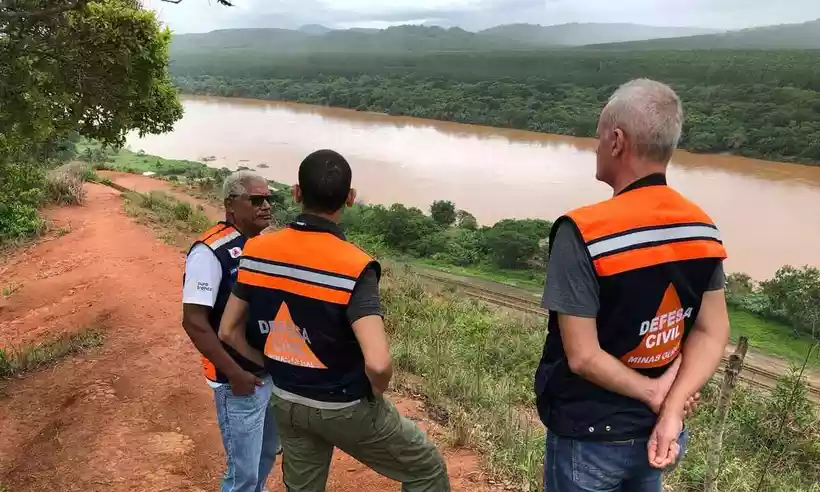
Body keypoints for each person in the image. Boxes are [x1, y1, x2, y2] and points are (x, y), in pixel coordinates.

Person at [534, 79, 730, 491]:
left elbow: (583, 356)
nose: (597, 145)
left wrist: (656, 395)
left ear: (617, 141)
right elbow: (713, 331)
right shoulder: (701, 227)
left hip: (587, 433)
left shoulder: (583, 230)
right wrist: (671, 407)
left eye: (600, 135)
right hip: (661, 434)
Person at [218, 149, 451, 492]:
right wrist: (374, 392)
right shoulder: (355, 265)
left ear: (297, 193)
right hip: (344, 403)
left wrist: (275, 364)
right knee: (426, 469)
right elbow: (379, 362)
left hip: (286, 400)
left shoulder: (257, 252)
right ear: (351, 199)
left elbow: (227, 330)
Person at [182, 170, 280, 492]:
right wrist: (235, 373)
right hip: (238, 382)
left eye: (269, 199)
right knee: (243, 475)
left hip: (268, 374)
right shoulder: (210, 251)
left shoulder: (261, 246)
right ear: (230, 205)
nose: (265, 206)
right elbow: (194, 321)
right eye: (256, 199)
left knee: (264, 458)